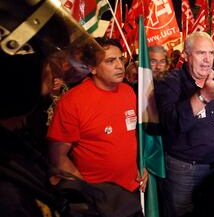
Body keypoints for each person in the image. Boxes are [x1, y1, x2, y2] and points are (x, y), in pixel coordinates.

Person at [0, 0, 143, 217]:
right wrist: (89, 196)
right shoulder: (8, 194)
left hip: (123, 196)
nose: (52, 72)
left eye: (121, 60)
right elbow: (58, 156)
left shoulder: (15, 147)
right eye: (46, 62)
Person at [154, 32, 214, 217]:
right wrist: (204, 96)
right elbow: (170, 122)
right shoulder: (170, 82)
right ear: (186, 55)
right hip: (183, 170)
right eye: (201, 53)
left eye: (211, 53)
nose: (207, 59)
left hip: (213, 168)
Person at [47, 37, 148, 197]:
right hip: (97, 198)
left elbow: (131, 136)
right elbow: (58, 157)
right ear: (92, 68)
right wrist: (86, 190)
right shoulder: (73, 101)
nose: (120, 66)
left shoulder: (128, 92)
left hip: (131, 189)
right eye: (110, 61)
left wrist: (140, 164)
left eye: (121, 59)